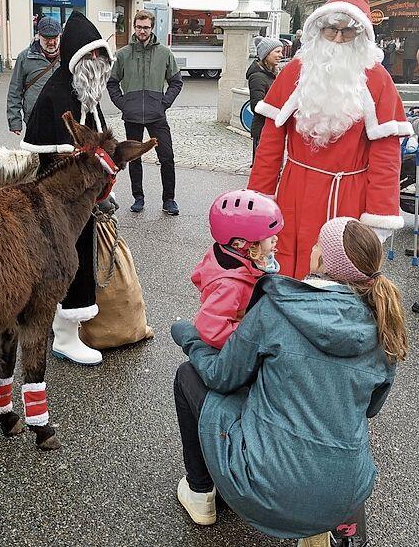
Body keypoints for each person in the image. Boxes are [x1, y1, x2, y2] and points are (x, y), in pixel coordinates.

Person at [172, 217, 407, 546]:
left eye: (318, 245)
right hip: (347, 495)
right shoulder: (385, 326)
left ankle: (200, 494)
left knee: (188, 376)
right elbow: (371, 409)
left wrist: (190, 339)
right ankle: (341, 530)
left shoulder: (277, 307)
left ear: (322, 260)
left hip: (265, 490)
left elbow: (220, 377)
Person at [248, 0, 413, 279]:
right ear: (318, 30)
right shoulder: (296, 72)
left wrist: (377, 218)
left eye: (347, 31)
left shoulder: (377, 80)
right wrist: (260, 196)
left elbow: (387, 157)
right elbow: (270, 142)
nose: (337, 39)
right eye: (330, 29)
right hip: (295, 191)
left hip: (348, 195)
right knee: (286, 267)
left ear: (361, 34)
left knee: (340, 276)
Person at [21, 11, 115, 365]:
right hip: (63, 201)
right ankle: (64, 336)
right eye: (91, 55)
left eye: (101, 56)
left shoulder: (83, 92)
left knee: (66, 261)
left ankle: (57, 326)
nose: (97, 63)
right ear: (76, 54)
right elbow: (66, 157)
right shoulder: (62, 92)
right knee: (68, 263)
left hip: (76, 199)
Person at [107, 9, 183, 215]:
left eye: (146, 27)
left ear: (152, 27)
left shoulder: (164, 53)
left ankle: (169, 200)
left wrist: (163, 103)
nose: (142, 31)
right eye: (139, 27)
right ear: (134, 27)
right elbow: (112, 83)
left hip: (156, 115)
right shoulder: (122, 54)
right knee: (134, 158)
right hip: (132, 116)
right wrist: (123, 104)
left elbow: (176, 82)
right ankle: (138, 197)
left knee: (166, 156)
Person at [192, 190, 283, 349]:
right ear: (240, 244)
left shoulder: (242, 260)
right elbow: (211, 329)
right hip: (232, 349)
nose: (276, 239)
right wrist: (255, 335)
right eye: (269, 237)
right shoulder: (231, 285)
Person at [7, 17, 62, 136]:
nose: (51, 42)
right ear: (38, 36)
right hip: (35, 118)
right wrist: (15, 122)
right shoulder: (25, 57)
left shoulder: (68, 57)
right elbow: (15, 91)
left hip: (61, 119)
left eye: (55, 38)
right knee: (37, 154)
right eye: (47, 38)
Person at [247, 36, 283, 160]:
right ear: (266, 54)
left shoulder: (272, 74)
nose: (281, 55)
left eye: (281, 52)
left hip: (272, 128)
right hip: (263, 129)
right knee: (262, 165)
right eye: (277, 52)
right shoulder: (257, 77)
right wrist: (280, 115)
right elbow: (256, 106)